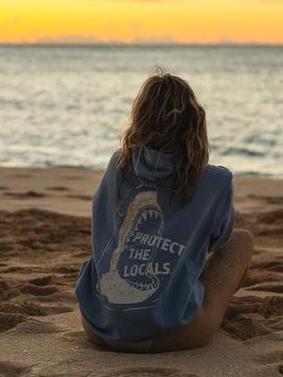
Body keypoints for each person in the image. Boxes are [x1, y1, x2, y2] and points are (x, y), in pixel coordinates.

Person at [75, 66, 253, 354]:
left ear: (139, 120)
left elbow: (101, 222)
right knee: (240, 241)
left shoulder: (118, 166)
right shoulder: (216, 180)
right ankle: (200, 310)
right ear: (196, 123)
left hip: (100, 326)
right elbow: (219, 240)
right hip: (170, 334)